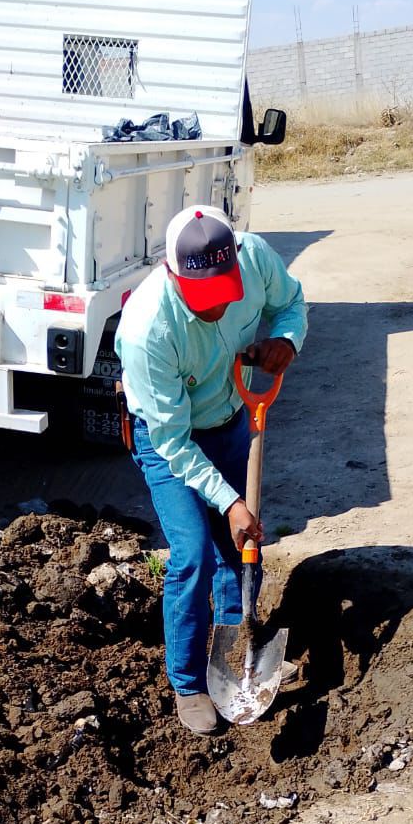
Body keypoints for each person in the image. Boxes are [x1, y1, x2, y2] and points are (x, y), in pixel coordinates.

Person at [115, 204, 307, 734]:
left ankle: (233, 655)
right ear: (174, 276)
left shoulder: (255, 257)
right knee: (193, 553)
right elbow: (172, 441)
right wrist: (229, 500)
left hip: (230, 417)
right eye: (204, 300)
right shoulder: (148, 330)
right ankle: (187, 683)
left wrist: (286, 339)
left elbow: (291, 302)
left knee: (240, 547)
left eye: (225, 293)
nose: (218, 308)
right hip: (167, 438)